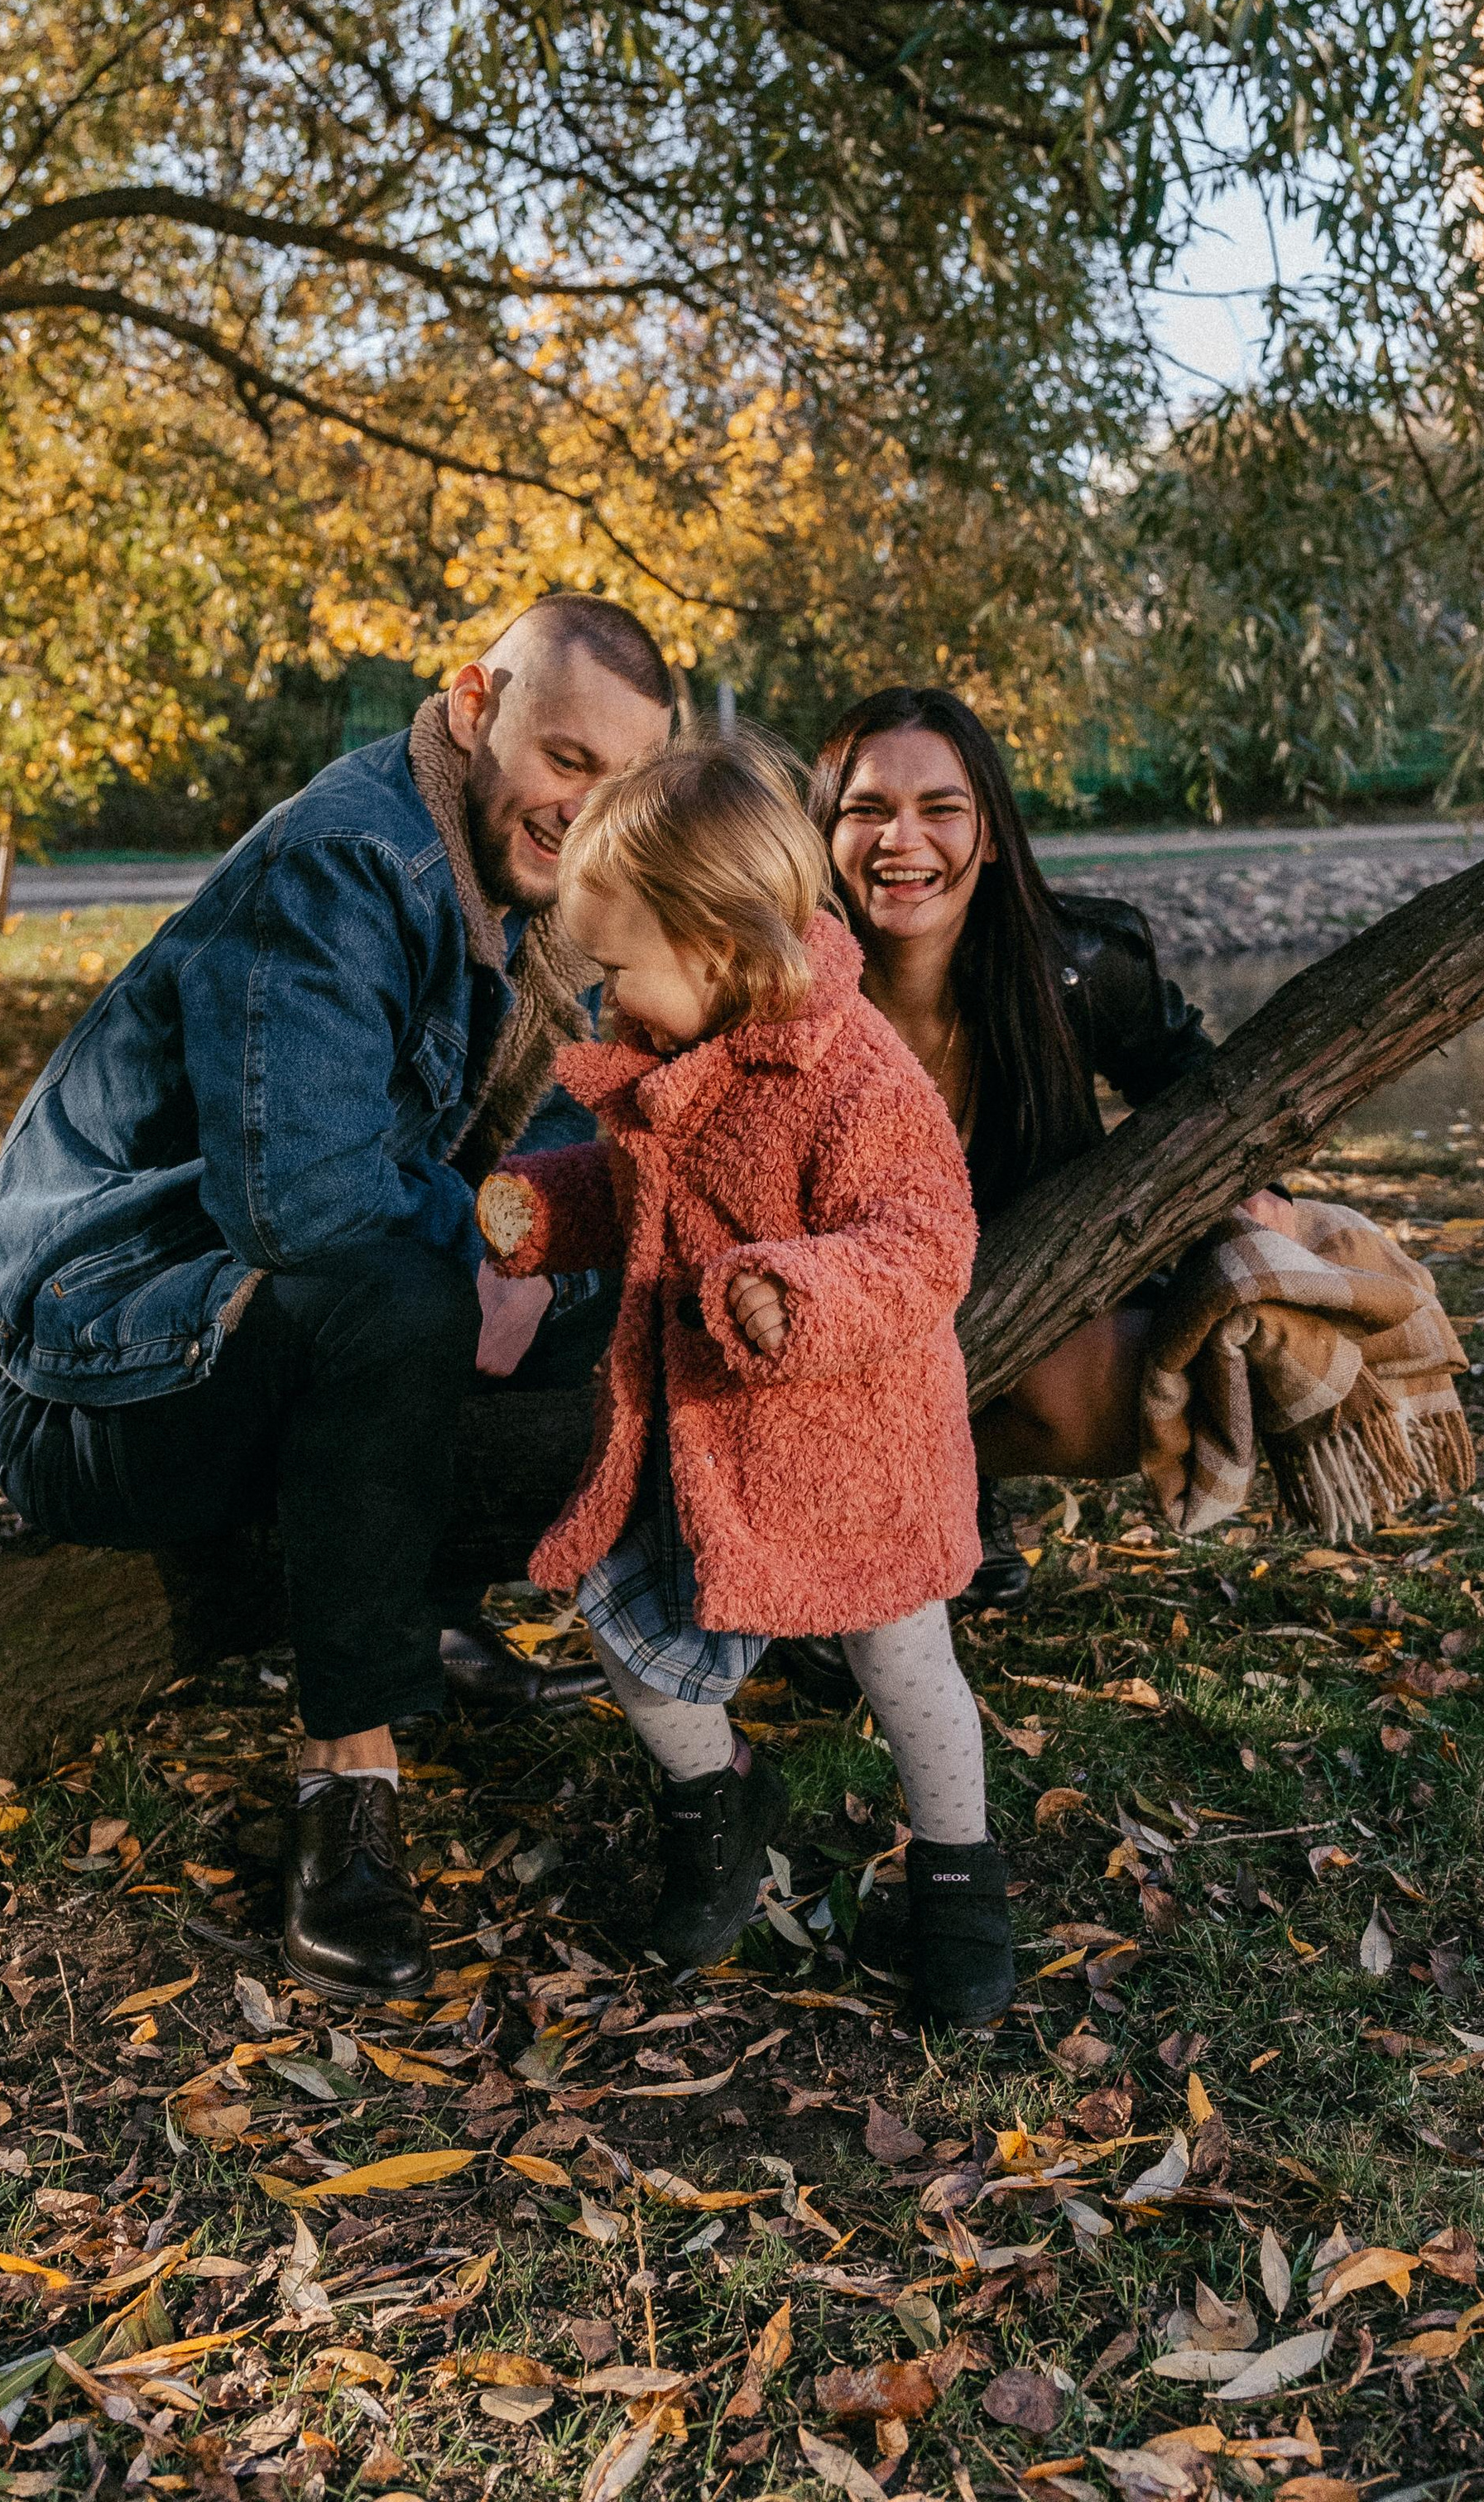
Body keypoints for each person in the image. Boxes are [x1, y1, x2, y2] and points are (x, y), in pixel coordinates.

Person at [0, 594, 676, 1998]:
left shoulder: (527, 893)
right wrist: (497, 1242)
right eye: (566, 760)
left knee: (625, 1282)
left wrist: (534, 1242)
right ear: (474, 705)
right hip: (100, 1376)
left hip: (250, 1333)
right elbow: (304, 1203)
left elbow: (552, 1129)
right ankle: (343, 1799)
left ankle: (441, 1598)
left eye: (624, 783)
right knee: (400, 1298)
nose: (585, 810)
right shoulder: (343, 861)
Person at [478, 734, 1018, 2026]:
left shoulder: (853, 1072)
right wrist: (545, 1216)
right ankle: (715, 1804)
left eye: (615, 970)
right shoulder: (675, 1058)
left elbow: (926, 1240)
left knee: (906, 1671)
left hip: (858, 1445)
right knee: (630, 1629)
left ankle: (959, 1880)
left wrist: (804, 1291)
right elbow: (636, 1193)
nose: (602, 1000)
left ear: (716, 947)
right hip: (703, 1437)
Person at [809, 685, 1289, 1588]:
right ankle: (851, 1515)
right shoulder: (779, 991)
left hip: (1020, 1293)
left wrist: (1256, 1187)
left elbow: (1191, 1077)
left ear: (988, 836)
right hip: (832, 1317)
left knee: (1112, 1394)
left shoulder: (1078, 965)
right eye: (865, 810)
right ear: (822, 836)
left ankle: (957, 1479)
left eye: (939, 810)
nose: (900, 841)